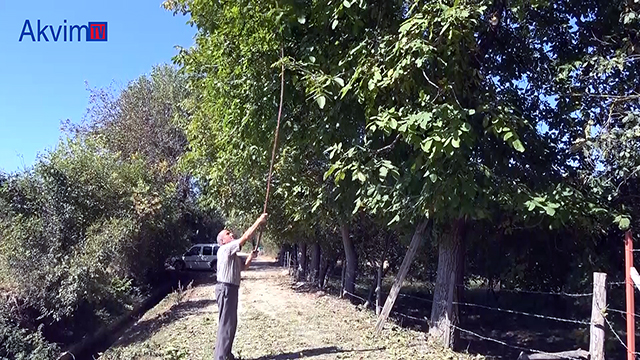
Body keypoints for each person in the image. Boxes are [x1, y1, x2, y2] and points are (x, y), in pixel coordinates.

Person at [213, 213, 268, 360]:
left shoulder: (232, 255)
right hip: (225, 289)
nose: (231, 234)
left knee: (231, 323)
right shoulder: (224, 249)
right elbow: (245, 237)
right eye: (228, 234)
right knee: (226, 323)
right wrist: (258, 221)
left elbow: (244, 267)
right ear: (223, 241)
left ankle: (226, 354)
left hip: (231, 290)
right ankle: (221, 357)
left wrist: (251, 256)